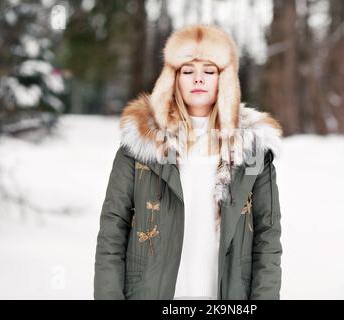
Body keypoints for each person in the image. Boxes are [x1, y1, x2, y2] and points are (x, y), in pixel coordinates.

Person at [94, 23, 283, 300]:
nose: (198, 79)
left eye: (209, 71)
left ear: (225, 79)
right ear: (172, 77)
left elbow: (267, 238)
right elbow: (113, 229)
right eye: (187, 70)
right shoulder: (140, 145)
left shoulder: (252, 148)